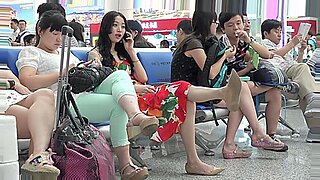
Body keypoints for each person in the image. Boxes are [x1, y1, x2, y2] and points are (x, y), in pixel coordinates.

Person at [88, 11, 245, 175]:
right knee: (182, 88)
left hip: (145, 95)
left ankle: (194, 161)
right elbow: (102, 84)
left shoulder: (125, 53)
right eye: (115, 25)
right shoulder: (96, 53)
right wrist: (134, 87)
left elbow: (143, 77)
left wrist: (131, 51)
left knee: (186, 100)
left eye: (122, 26)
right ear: (106, 27)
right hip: (129, 101)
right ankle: (221, 93)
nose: (119, 30)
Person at [17, 10, 156, 179]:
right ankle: (126, 164)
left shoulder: (64, 52)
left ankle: (135, 117)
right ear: (40, 31)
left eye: (61, 35)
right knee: (117, 105)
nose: (59, 40)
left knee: (120, 76)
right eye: (54, 34)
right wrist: (63, 73)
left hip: (81, 94)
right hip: (61, 101)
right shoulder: (32, 52)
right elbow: (27, 80)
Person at [172, 10, 286, 159]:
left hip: (201, 89)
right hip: (191, 92)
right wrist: (225, 56)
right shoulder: (195, 44)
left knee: (241, 94)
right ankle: (244, 139)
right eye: (216, 24)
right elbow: (211, 73)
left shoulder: (201, 42)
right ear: (210, 24)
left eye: (239, 23)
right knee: (239, 98)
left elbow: (266, 55)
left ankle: (242, 140)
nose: (217, 27)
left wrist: (248, 43)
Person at [218, 12, 289, 151]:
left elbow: (267, 55)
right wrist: (247, 70)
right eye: (230, 25)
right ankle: (258, 133)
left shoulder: (243, 42)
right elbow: (223, 76)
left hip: (245, 83)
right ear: (223, 28)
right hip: (228, 85)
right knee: (247, 86)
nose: (236, 28)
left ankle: (270, 135)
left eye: (238, 23)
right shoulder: (221, 46)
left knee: (275, 93)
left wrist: (249, 40)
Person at [0, 69, 59, 178]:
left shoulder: (6, 73)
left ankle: (38, 155)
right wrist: (12, 83)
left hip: (14, 99)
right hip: (3, 106)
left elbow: (22, 89)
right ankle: (37, 163)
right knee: (41, 122)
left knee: (45, 94)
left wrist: (15, 84)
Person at [260, 19, 320, 118]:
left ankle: (314, 123)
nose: (279, 34)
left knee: (304, 93)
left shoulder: (281, 48)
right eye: (276, 31)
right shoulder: (263, 44)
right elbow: (272, 56)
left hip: (287, 74)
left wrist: (301, 52)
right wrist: (292, 43)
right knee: (305, 78)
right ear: (266, 34)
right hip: (277, 74)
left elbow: (296, 66)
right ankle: (313, 98)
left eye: (280, 31)